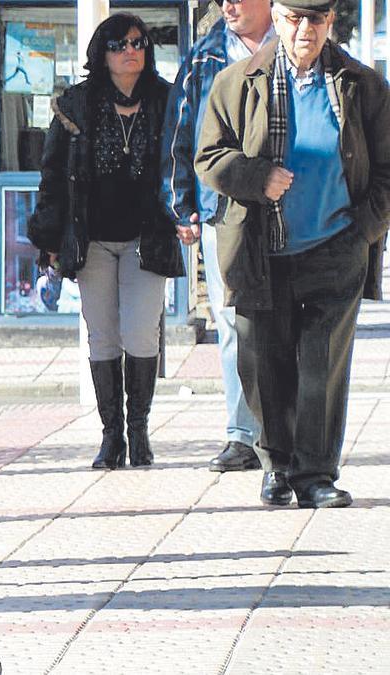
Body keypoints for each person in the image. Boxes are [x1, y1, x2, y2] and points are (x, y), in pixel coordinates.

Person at [196, 0, 390, 508]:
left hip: (336, 247)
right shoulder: (237, 82)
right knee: (264, 363)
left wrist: (364, 229)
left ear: (331, 23)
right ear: (277, 20)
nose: (306, 29)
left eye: (317, 19)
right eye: (295, 19)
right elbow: (208, 158)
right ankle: (276, 465)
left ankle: (316, 474)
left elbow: (388, 168)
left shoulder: (362, 85)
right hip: (261, 248)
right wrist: (258, 177)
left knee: (321, 365)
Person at [27, 14, 184, 470]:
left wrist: (186, 212)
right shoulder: (75, 105)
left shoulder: (165, 100)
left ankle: (139, 430)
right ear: (102, 52)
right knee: (102, 337)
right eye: (118, 44)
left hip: (146, 239)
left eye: (138, 43)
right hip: (91, 240)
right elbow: (52, 176)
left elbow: (183, 164)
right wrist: (49, 241)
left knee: (140, 331)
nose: (129, 51)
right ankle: (111, 436)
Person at [160, 0, 275, 474]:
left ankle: (285, 436)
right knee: (231, 325)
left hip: (290, 209)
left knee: (287, 322)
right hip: (222, 212)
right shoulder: (204, 58)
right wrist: (181, 205)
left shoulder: (296, 49)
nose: (227, 4)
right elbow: (179, 135)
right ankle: (241, 435)